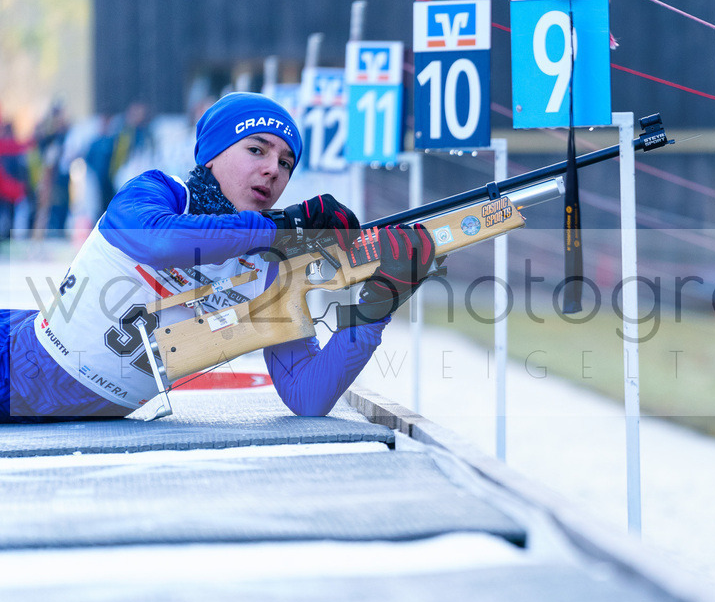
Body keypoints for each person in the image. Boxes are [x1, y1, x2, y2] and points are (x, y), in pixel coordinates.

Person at [1, 92, 433, 423]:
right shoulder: (159, 192)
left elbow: (306, 394)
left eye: (286, 163)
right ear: (211, 154)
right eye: (256, 150)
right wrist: (282, 229)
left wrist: (377, 306)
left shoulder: (269, 269)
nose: (272, 170)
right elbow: (158, 243)